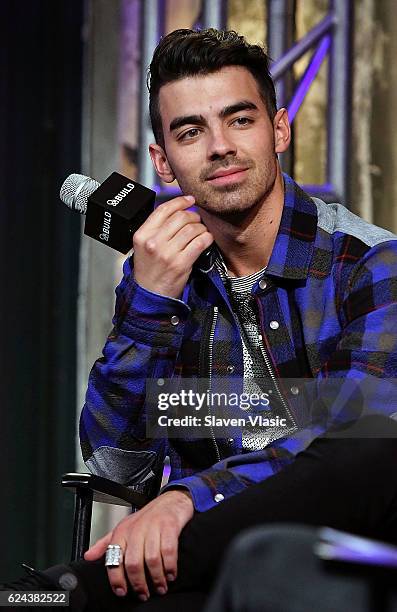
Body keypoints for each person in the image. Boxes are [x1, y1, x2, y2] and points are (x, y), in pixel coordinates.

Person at [5, 27, 397, 611]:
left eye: (240, 120)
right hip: (198, 574)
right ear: (163, 162)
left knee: (363, 447)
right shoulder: (163, 275)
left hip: (339, 557)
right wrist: (149, 302)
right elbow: (117, 466)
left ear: (279, 130)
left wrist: (187, 497)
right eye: (191, 131)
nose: (219, 147)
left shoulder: (368, 262)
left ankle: (75, 589)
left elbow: (352, 455)